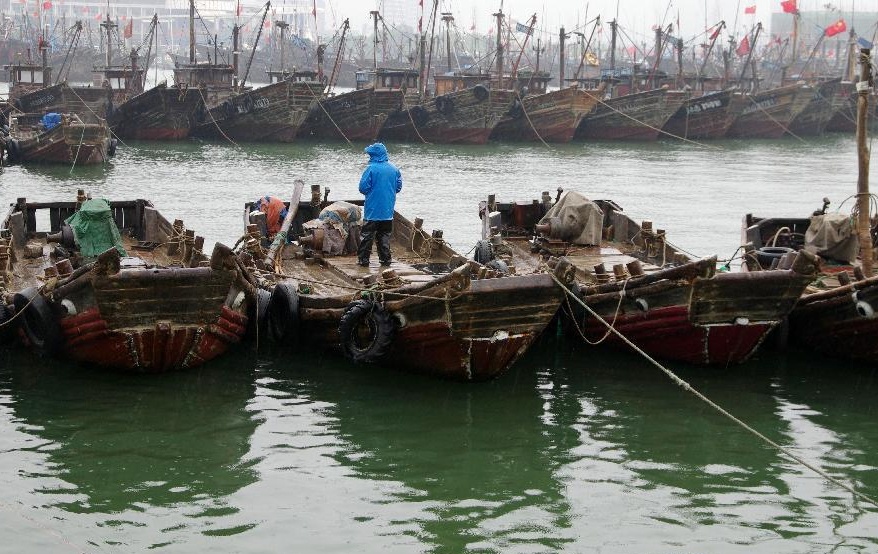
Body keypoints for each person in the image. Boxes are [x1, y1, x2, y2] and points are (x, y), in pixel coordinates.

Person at [357, 142, 402, 267]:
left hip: (372, 210)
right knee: (384, 236)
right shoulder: (394, 169)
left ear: (373, 155)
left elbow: (363, 188)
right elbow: (398, 188)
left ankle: (363, 260)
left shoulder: (371, 169)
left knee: (367, 236)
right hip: (387, 211)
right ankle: (385, 259)